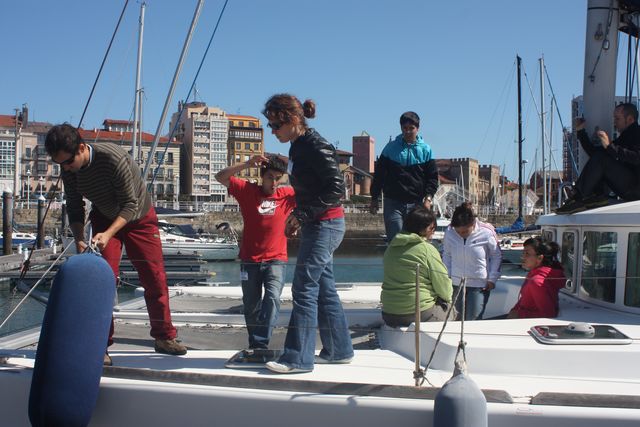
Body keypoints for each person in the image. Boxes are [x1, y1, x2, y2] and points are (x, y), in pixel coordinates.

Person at [44, 123, 187, 366]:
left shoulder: (113, 159)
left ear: (81, 149)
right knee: (103, 280)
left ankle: (164, 337)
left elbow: (130, 204)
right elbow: (75, 206)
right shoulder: (68, 169)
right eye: (60, 164)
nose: (65, 168)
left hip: (139, 217)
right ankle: (100, 346)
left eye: (68, 162)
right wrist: (79, 238)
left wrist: (109, 234)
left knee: (154, 278)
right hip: (104, 215)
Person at [261, 94, 354, 374]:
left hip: (325, 225)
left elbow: (337, 189)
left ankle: (297, 359)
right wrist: (302, 215)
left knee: (304, 289)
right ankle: (339, 350)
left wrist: (300, 215)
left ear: (291, 120)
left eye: (275, 125)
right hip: (321, 224)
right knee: (324, 290)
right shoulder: (299, 146)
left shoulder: (314, 145)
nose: (272, 131)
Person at [215, 154, 296, 350]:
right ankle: (255, 344)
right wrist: (247, 163)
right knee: (250, 305)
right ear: (262, 177)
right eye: (270, 177)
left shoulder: (288, 194)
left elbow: (312, 198)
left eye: (278, 178)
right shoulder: (247, 190)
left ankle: (261, 344)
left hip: (276, 260)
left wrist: (296, 224)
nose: (274, 182)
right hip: (249, 260)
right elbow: (220, 177)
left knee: (273, 298)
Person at [556, 103, 640, 214]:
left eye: (617, 118)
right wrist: (581, 131)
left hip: (635, 190)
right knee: (601, 157)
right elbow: (596, 155)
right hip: (631, 188)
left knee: (602, 158)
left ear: (630, 119)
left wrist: (610, 146)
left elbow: (637, 158)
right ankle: (595, 196)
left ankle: (578, 198)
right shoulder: (625, 136)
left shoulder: (637, 134)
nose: (614, 122)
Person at [369, 111, 439, 242]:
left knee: (416, 241)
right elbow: (379, 175)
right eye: (404, 128)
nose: (408, 132)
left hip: (416, 204)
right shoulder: (390, 148)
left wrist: (428, 199)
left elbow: (433, 178)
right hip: (393, 203)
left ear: (417, 128)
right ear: (401, 128)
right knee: (395, 240)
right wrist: (374, 198)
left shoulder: (426, 150)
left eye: (411, 128)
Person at [381, 207, 455, 328]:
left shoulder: (391, 248)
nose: (433, 231)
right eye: (432, 228)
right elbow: (443, 286)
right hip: (419, 313)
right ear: (424, 229)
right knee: (452, 311)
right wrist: (447, 299)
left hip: (389, 314)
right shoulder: (427, 249)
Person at [442, 202, 501, 320]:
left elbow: (496, 255)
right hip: (455, 283)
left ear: (473, 223)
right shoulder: (449, 232)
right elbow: (447, 255)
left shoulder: (487, 232)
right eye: (458, 232)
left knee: (473, 319)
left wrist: (492, 278)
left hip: (478, 284)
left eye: (464, 232)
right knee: (455, 318)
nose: (461, 235)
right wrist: (446, 277)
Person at [507, 237, 565, 318]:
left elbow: (548, 314)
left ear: (539, 258)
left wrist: (518, 314)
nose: (522, 257)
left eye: (526, 254)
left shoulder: (537, 281)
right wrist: (514, 311)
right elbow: (523, 301)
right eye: (523, 253)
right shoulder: (534, 274)